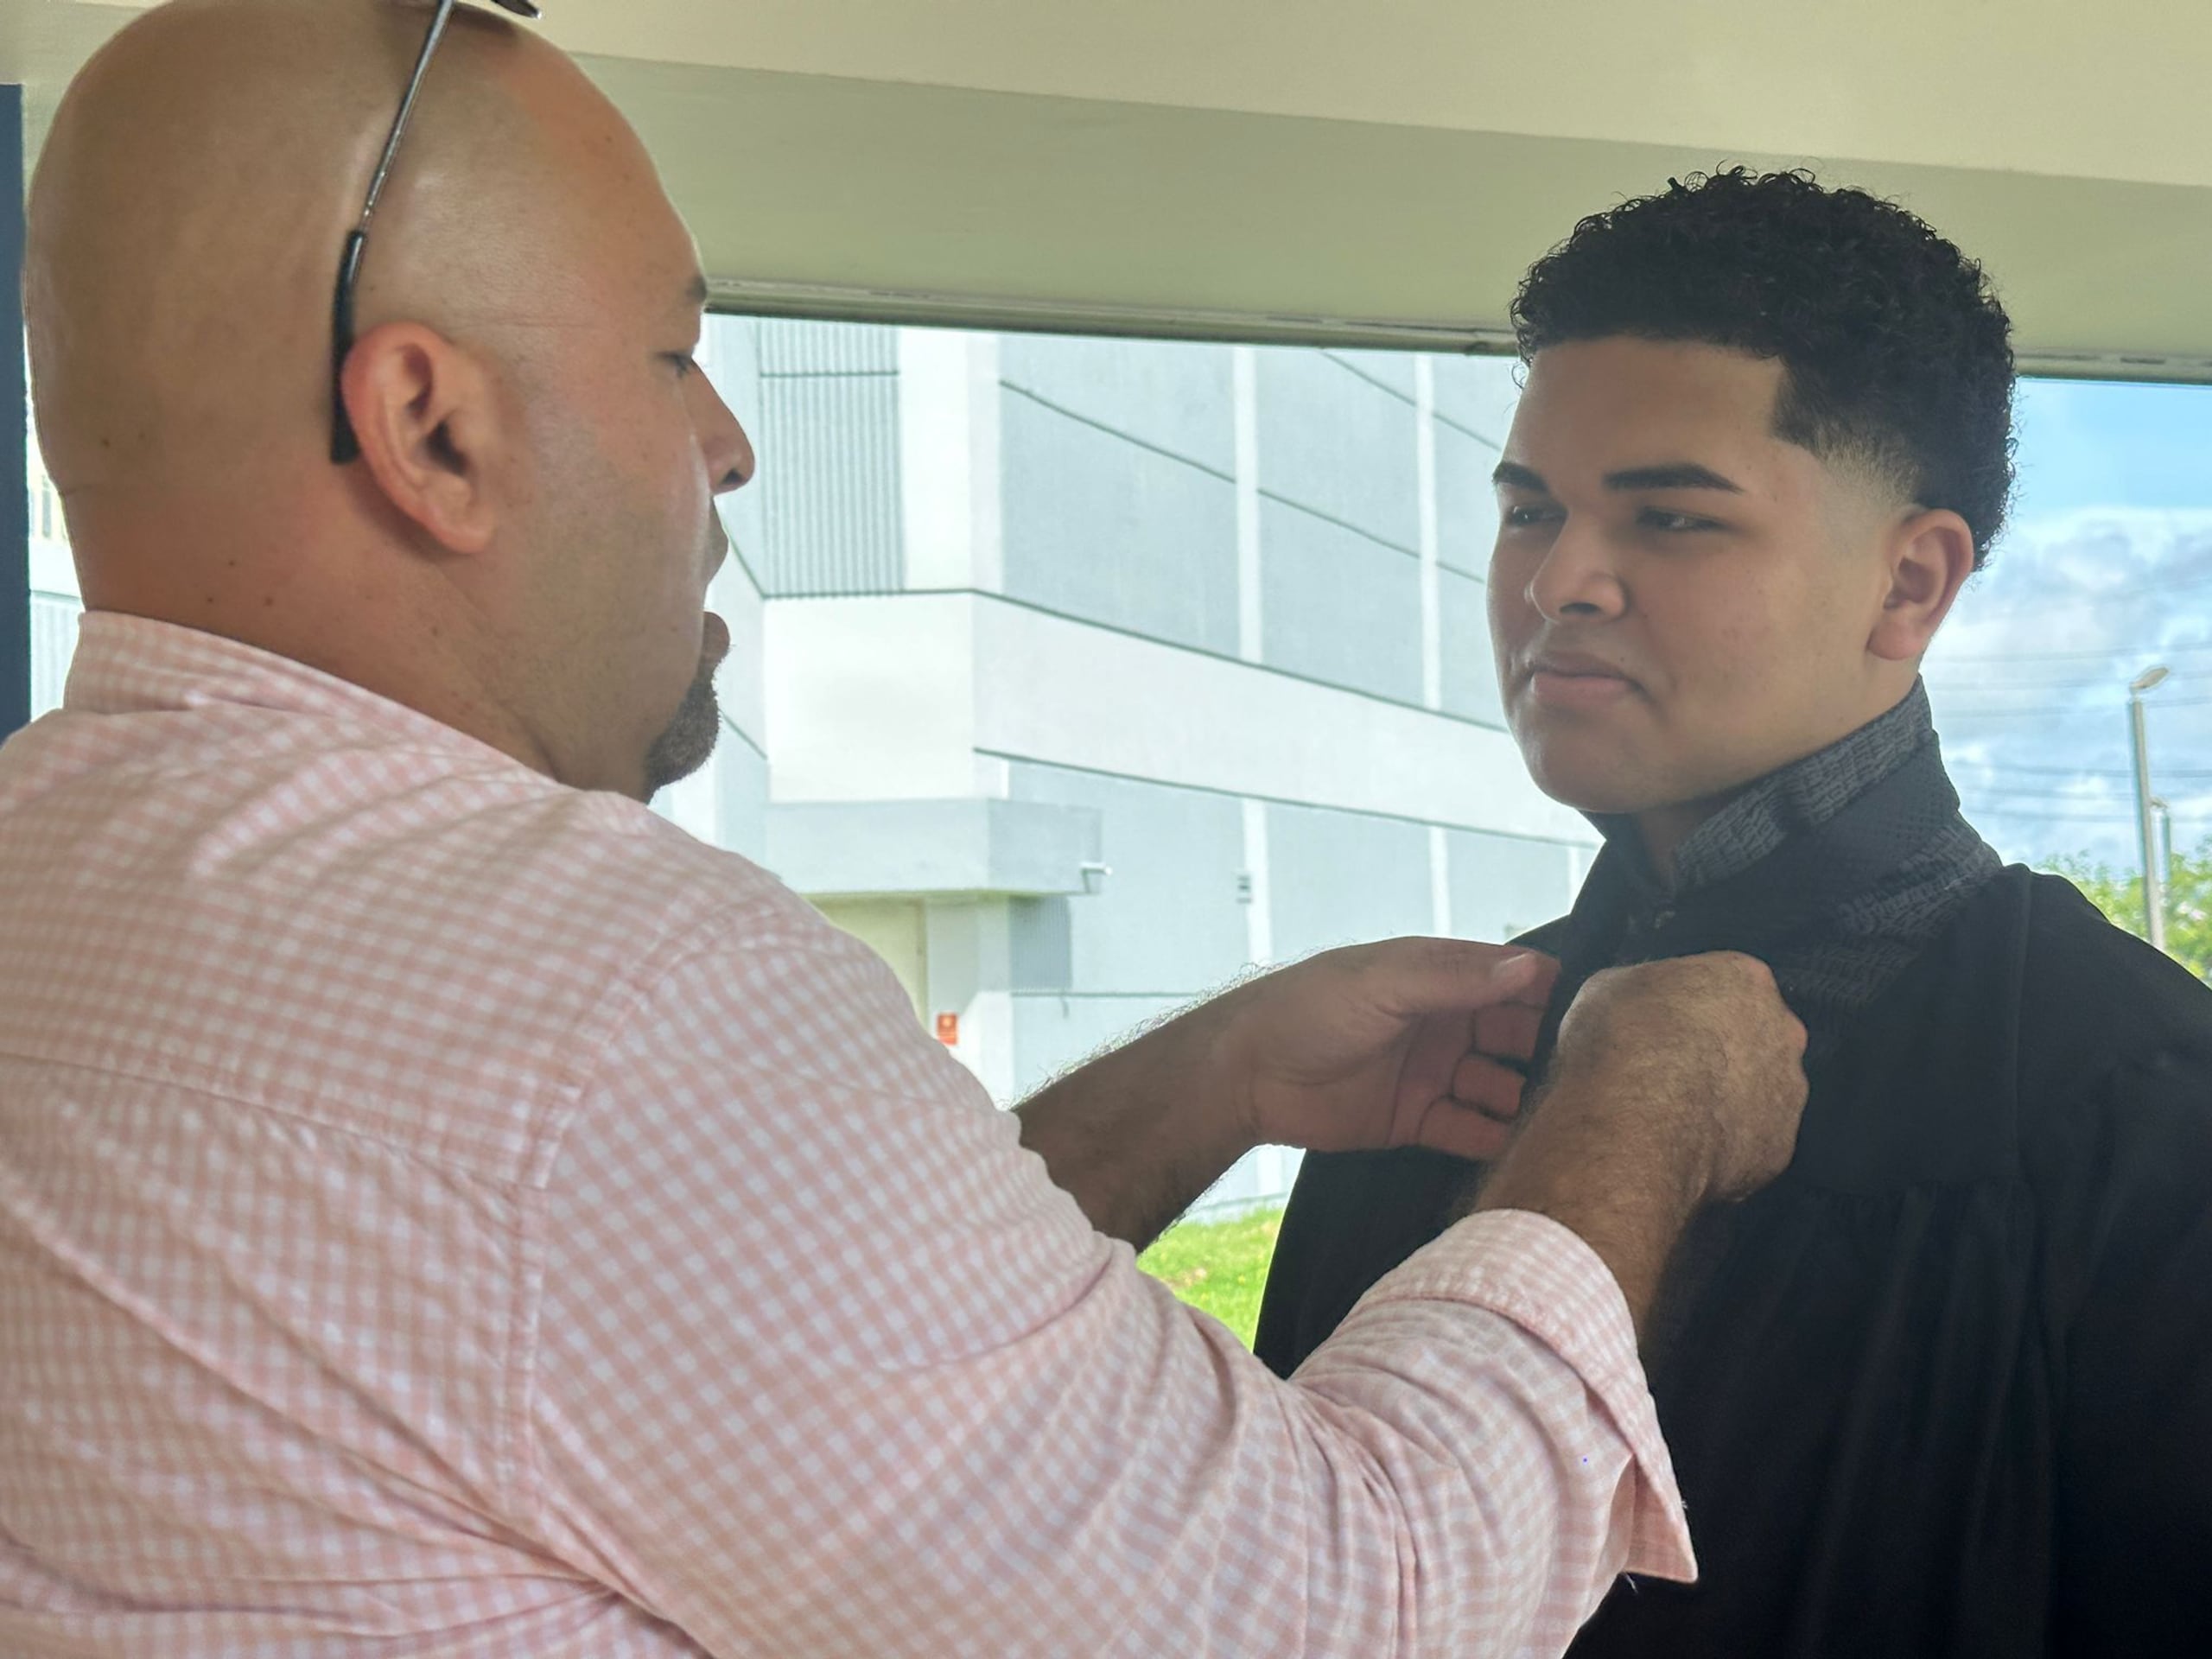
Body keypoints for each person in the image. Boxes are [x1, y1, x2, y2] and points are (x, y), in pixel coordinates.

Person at [0, 6, 1816, 1655]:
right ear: (429, 429)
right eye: (670, 356)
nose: (729, 446)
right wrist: (1636, 1105)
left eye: (1668, 519)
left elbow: (741, 1366)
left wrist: (1205, 1080)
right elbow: (1356, 1604)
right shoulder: (611, 1007)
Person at [1255, 168, 2212, 1657]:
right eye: (1529, 509)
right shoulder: (1430, 1066)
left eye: (1674, 520)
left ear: (1909, 582)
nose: (1557, 581)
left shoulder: (2134, 1102)